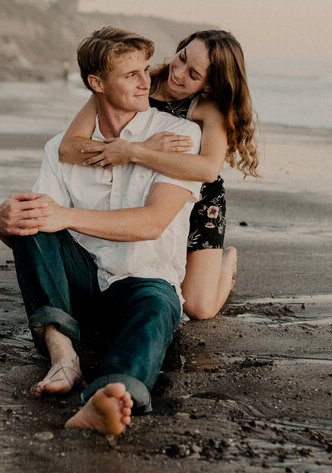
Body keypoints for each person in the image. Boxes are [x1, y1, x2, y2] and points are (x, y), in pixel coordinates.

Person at [0, 27, 202, 436]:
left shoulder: (178, 136)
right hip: (79, 285)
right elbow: (35, 236)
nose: (148, 82)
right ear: (96, 84)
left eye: (146, 70)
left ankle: (109, 395)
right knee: (32, 212)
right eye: (131, 75)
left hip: (144, 281)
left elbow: (152, 222)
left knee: (157, 311)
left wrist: (65, 216)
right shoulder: (62, 148)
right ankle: (62, 354)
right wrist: (1, 221)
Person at [58, 29, 259, 320]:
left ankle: (224, 268)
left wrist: (134, 153)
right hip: (145, 188)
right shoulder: (136, 82)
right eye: (181, 58)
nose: (178, 73)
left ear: (209, 86)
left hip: (201, 200)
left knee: (198, 309)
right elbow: (69, 147)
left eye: (193, 74)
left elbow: (207, 169)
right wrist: (130, 149)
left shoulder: (205, 108)